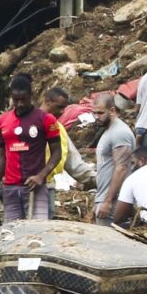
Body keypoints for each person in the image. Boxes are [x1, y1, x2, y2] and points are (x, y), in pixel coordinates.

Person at [0, 74, 62, 221]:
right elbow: (2, 155)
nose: (19, 104)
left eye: (23, 99)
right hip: (10, 188)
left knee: (37, 233)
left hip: (35, 188)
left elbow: (57, 153)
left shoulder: (46, 119)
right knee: (12, 235)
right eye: (16, 100)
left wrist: (40, 176)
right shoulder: (3, 120)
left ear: (31, 95)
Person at [40, 88, 95, 218]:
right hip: (23, 187)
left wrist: (100, 180)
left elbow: (74, 165)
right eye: (59, 107)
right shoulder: (28, 125)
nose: (62, 112)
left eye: (64, 108)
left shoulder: (58, 129)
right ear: (47, 101)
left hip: (47, 187)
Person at [92, 93, 136, 225]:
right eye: (94, 113)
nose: (96, 117)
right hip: (105, 197)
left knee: (106, 243)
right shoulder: (109, 130)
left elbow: (122, 168)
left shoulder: (119, 132)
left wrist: (107, 201)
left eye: (100, 113)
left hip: (113, 201)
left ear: (112, 110)